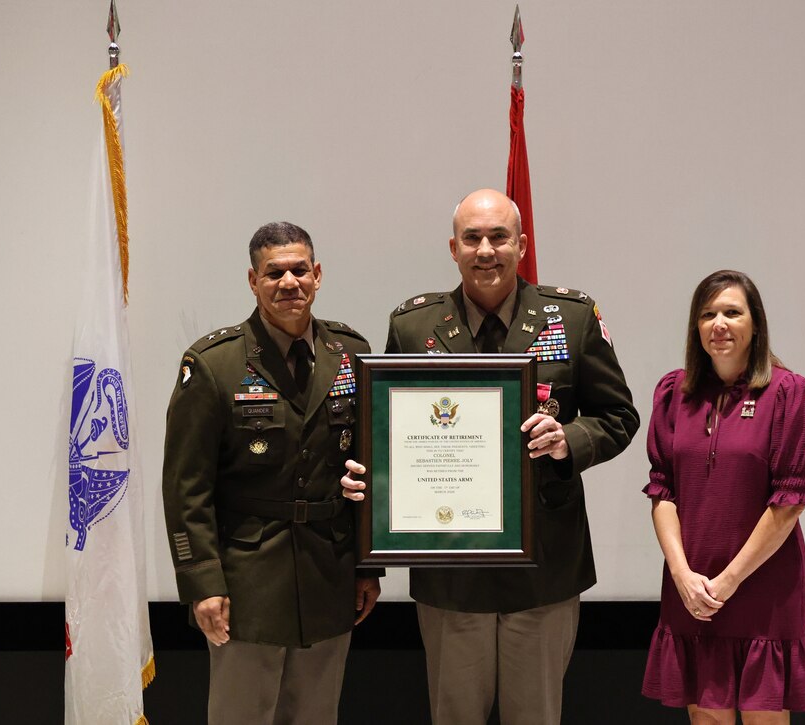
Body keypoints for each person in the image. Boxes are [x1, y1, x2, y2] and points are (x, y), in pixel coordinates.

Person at [341, 189, 640, 725]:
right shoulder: (414, 325)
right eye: (472, 238)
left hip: (544, 570)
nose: (486, 250)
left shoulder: (569, 318)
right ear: (452, 248)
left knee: (537, 717)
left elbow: (618, 418)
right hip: (451, 570)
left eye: (499, 237)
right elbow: (385, 437)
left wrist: (567, 439)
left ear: (521, 245)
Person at [162, 221, 381, 725]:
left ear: (318, 275)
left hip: (330, 575)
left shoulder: (349, 353)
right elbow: (186, 488)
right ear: (253, 280)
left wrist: (367, 565)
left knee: (316, 715)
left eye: (299, 270)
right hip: (247, 583)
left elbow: (372, 464)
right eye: (274, 272)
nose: (289, 283)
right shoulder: (215, 364)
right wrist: (202, 582)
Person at [641, 270, 805, 724]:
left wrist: (727, 582)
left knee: (764, 718)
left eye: (731, 312)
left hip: (761, 590)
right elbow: (662, 490)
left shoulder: (788, 393)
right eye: (707, 314)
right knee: (706, 717)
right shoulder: (673, 393)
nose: (718, 323)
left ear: (755, 324)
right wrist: (684, 575)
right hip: (692, 589)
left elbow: (789, 503)